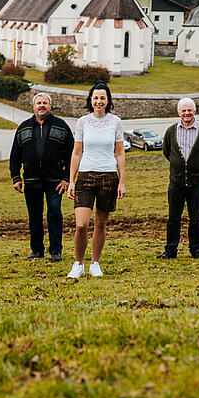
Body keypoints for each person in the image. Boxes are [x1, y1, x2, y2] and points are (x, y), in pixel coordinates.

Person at [67, 82, 126, 279]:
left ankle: (95, 263)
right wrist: (72, 181)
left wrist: (122, 181)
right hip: (85, 176)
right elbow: (76, 153)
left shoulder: (116, 122)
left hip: (108, 176)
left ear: (108, 100)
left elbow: (119, 154)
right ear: (90, 100)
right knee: (81, 225)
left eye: (102, 98)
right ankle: (78, 263)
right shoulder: (83, 122)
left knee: (101, 223)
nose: (99, 101)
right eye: (95, 98)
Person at [9, 93, 74, 262]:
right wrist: (16, 178)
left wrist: (66, 178)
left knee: (54, 213)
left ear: (50, 106)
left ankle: (55, 251)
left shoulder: (61, 126)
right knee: (34, 217)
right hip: (31, 182)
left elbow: (72, 154)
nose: (42, 106)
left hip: (55, 182)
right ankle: (37, 250)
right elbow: (15, 155)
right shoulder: (23, 127)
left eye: (45, 103)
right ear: (33, 106)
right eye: (39, 103)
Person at [159, 97, 199, 260]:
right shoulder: (171, 131)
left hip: (197, 183)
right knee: (173, 218)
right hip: (176, 183)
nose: (187, 113)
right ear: (178, 113)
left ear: (195, 111)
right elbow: (168, 152)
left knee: (195, 218)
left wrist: (196, 168)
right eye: (183, 110)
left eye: (189, 110)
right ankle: (170, 250)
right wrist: (179, 167)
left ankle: (196, 249)